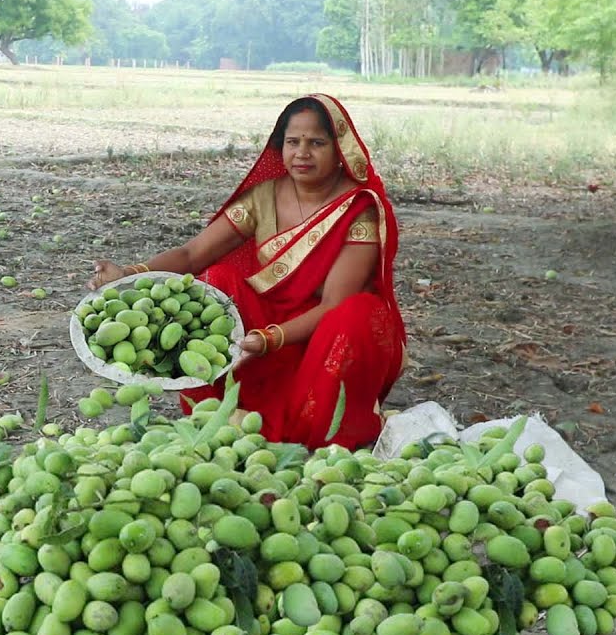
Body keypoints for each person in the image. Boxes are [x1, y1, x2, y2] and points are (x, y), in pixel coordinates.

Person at [87, 93, 406, 451]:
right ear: (279, 147)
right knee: (217, 280)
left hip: (322, 335)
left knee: (355, 314)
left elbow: (334, 304)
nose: (302, 153)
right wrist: (127, 274)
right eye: (293, 142)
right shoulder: (264, 197)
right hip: (261, 327)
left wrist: (268, 339)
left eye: (316, 143)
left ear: (340, 151)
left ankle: (322, 429)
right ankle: (222, 411)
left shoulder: (358, 209)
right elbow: (193, 255)